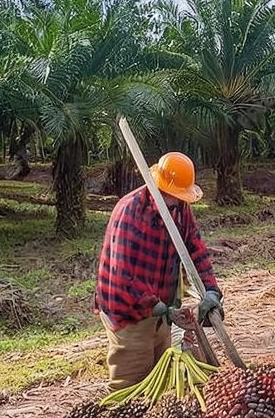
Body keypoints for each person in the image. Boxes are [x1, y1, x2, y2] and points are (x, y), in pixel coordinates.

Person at [95, 152, 224, 389]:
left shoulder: (179, 208)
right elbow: (122, 277)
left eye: (179, 196)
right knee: (131, 386)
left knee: (159, 382)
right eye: (172, 195)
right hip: (128, 311)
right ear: (158, 186)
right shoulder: (130, 212)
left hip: (159, 310)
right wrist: (160, 308)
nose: (176, 201)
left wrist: (211, 291)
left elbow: (195, 250)